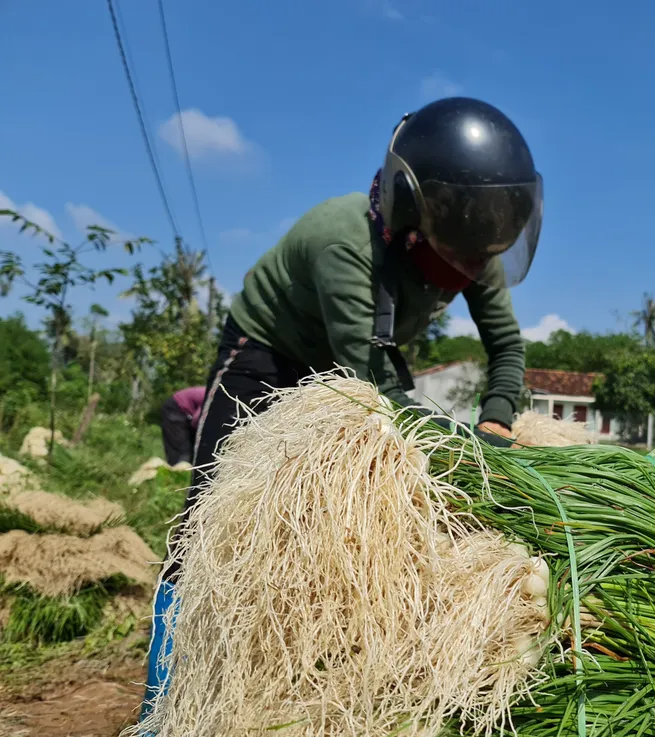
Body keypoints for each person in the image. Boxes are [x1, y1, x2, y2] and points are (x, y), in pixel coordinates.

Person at [138, 96, 544, 722]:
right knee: (211, 518)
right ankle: (164, 704)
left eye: (484, 254)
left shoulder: (476, 246)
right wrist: (461, 451)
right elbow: (372, 381)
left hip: (358, 358)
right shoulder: (343, 239)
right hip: (268, 355)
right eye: (461, 253)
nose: (473, 270)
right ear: (415, 210)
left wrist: (494, 421)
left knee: (356, 520)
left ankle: (304, 674)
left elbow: (506, 347)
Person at [159, 386, 205, 466]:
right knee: (183, 450)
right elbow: (196, 420)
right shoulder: (215, 397)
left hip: (186, 413)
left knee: (192, 450)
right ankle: (180, 471)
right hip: (176, 407)